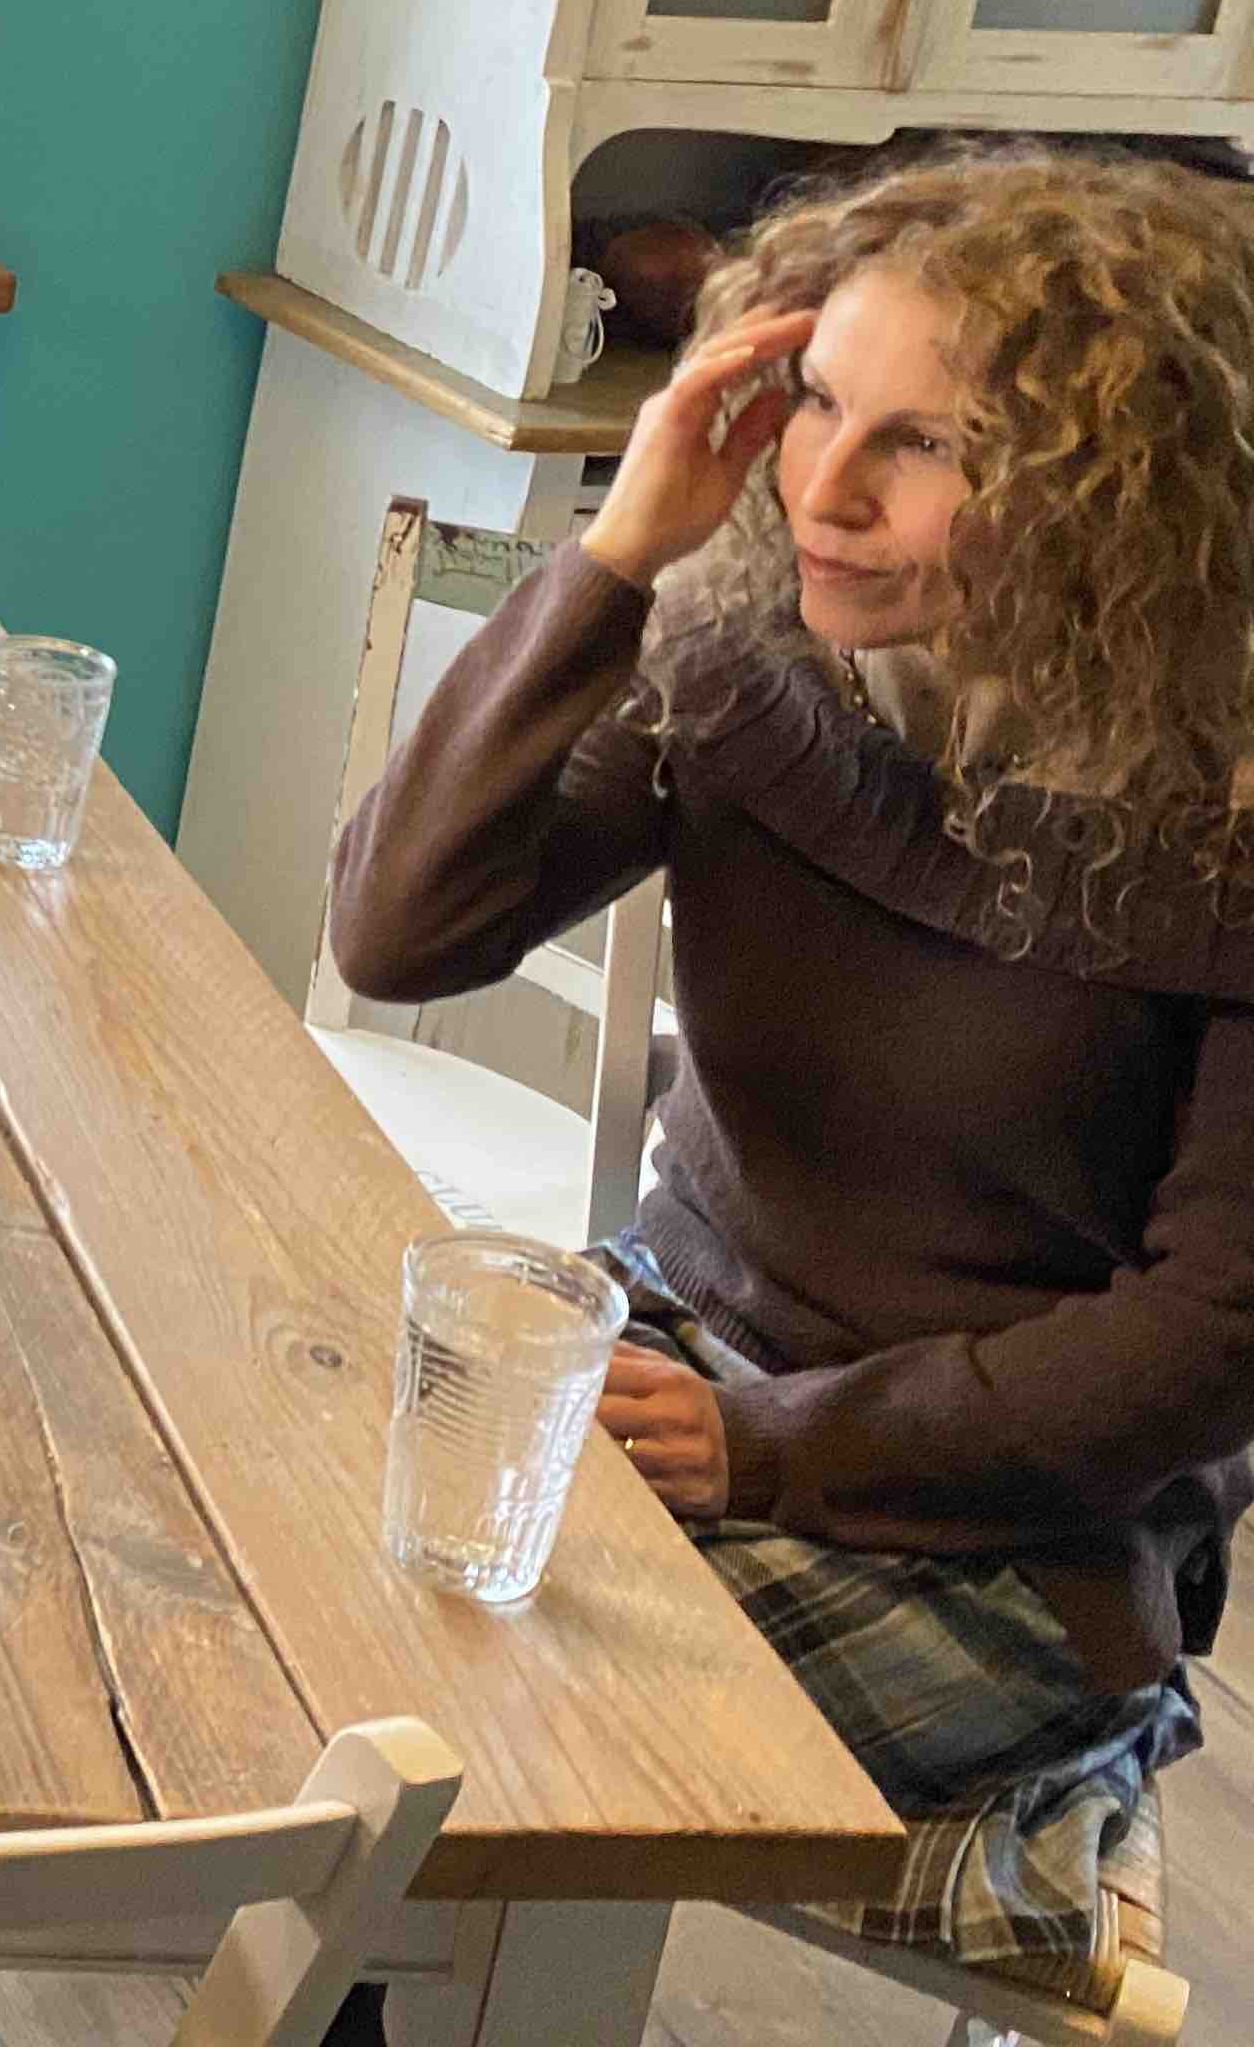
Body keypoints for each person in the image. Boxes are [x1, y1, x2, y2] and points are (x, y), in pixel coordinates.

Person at [331, 143, 1254, 2014]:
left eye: (929, 444)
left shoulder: (1225, 825)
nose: (824, 490)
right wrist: (615, 555)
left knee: (469, 1750)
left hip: (1008, 1536)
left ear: (1124, 496)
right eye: (819, 399)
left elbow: (1209, 1344)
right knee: (308, 1604)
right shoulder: (759, 666)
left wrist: (779, 1447)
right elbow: (402, 933)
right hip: (678, 1349)